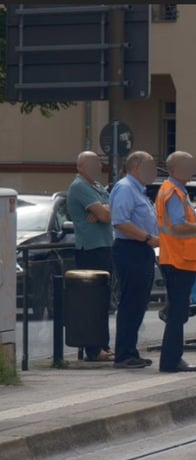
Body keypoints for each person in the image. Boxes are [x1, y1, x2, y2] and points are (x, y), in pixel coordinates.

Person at [155, 151, 196, 373]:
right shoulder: (173, 192)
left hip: (177, 257)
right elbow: (178, 226)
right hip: (177, 258)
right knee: (177, 312)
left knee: (178, 311)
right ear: (176, 169)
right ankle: (172, 360)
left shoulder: (174, 190)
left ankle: (173, 359)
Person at [110, 151, 159, 369]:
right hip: (131, 248)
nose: (153, 172)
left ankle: (131, 350)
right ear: (137, 167)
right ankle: (123, 354)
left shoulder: (139, 190)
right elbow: (120, 221)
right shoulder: (125, 188)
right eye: (150, 167)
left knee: (139, 303)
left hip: (142, 249)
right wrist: (147, 237)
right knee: (131, 302)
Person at [65, 150, 114, 362]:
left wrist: (103, 210)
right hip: (90, 248)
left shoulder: (97, 186)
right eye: (92, 163)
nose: (97, 167)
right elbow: (105, 215)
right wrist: (103, 211)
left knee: (103, 300)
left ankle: (103, 344)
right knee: (92, 301)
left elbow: (114, 211)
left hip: (104, 245)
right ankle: (93, 350)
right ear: (80, 166)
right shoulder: (79, 186)